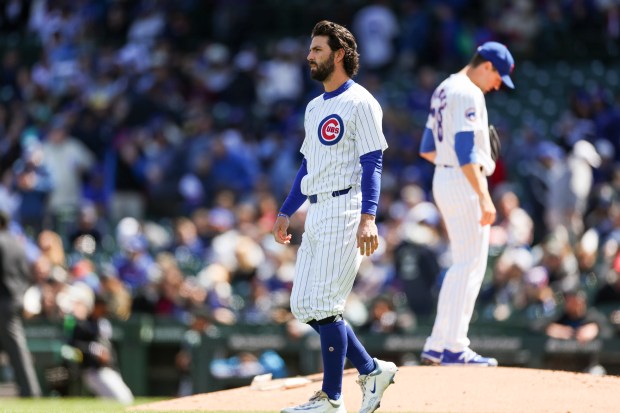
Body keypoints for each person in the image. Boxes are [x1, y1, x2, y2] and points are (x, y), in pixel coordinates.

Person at [272, 20, 397, 413]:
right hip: (317, 208)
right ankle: (371, 369)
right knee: (304, 305)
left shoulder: (361, 102)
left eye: (317, 50)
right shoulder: (314, 107)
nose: (309, 57)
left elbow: (373, 163)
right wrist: (286, 210)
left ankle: (332, 397)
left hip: (346, 206)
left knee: (325, 303)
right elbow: (307, 165)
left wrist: (368, 217)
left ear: (339, 54)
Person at [418, 41, 516, 366]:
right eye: (498, 76)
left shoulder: (444, 88)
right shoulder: (469, 91)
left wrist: (453, 169)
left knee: (462, 264)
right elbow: (465, 150)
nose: (498, 84)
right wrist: (484, 195)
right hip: (464, 180)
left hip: (444, 177)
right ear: (486, 65)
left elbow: (427, 148)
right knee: (469, 266)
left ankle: (437, 342)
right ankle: (455, 347)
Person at [0, 210, 41, 397]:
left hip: (3, 301)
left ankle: (31, 392)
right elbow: (26, 275)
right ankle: (30, 391)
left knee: (17, 350)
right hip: (14, 301)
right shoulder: (18, 243)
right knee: (17, 350)